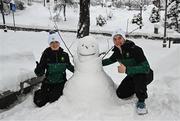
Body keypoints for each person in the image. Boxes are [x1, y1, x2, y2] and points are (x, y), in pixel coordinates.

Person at [102, 29, 153, 115]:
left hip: (146, 75)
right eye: (115, 39)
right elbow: (108, 61)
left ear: (124, 38)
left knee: (139, 77)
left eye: (119, 38)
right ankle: (139, 89)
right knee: (121, 93)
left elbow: (146, 68)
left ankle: (141, 101)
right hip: (132, 75)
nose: (117, 41)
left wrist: (126, 70)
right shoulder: (117, 52)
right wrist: (95, 62)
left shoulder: (136, 50)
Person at [33, 31, 74, 107]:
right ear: (49, 44)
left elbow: (69, 66)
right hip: (48, 82)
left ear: (59, 43)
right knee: (40, 102)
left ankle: (52, 93)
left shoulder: (64, 55)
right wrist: (39, 69)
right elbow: (40, 72)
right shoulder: (46, 54)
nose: (54, 44)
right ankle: (41, 92)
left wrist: (79, 70)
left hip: (60, 82)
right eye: (52, 42)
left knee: (54, 98)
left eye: (56, 42)